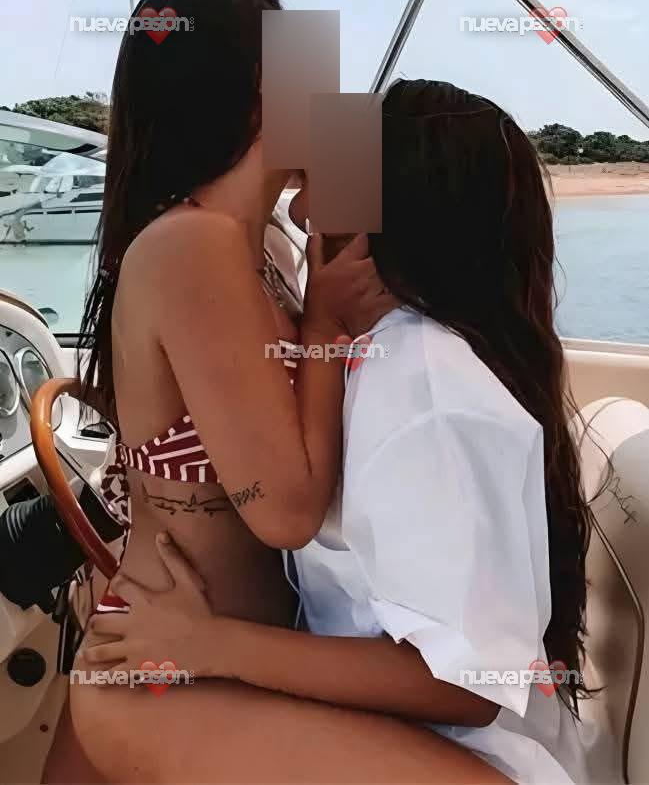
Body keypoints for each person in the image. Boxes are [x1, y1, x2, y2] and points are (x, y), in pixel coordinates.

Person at [46, 0, 508, 785]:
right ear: (257, 92)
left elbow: (380, 236)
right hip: (178, 659)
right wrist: (322, 327)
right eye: (305, 63)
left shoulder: (262, 244)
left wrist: (326, 175)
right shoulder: (194, 246)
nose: (329, 91)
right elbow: (286, 513)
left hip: (242, 649)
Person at [86, 80, 593, 785]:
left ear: (390, 208)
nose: (300, 205)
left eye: (337, 169)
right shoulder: (374, 353)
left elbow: (465, 687)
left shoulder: (423, 389)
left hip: (461, 749)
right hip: (386, 724)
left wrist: (210, 644)